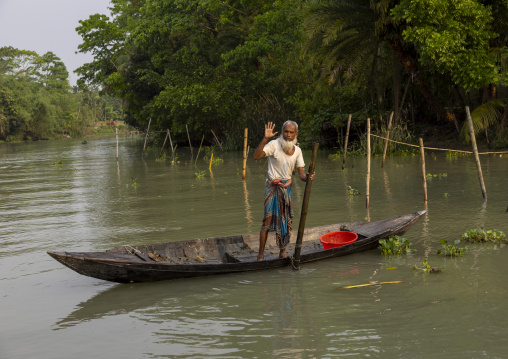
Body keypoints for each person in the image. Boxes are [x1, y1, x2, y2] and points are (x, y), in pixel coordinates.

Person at [253, 121, 315, 261]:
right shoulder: (274, 145)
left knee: (286, 222)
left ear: (296, 134)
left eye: (291, 132)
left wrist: (309, 177)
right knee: (266, 222)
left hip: (286, 189)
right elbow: (256, 156)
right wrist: (265, 139)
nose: (288, 135)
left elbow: (301, 175)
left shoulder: (297, 151)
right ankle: (260, 255)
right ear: (282, 131)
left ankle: (282, 254)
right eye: (285, 131)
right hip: (272, 188)